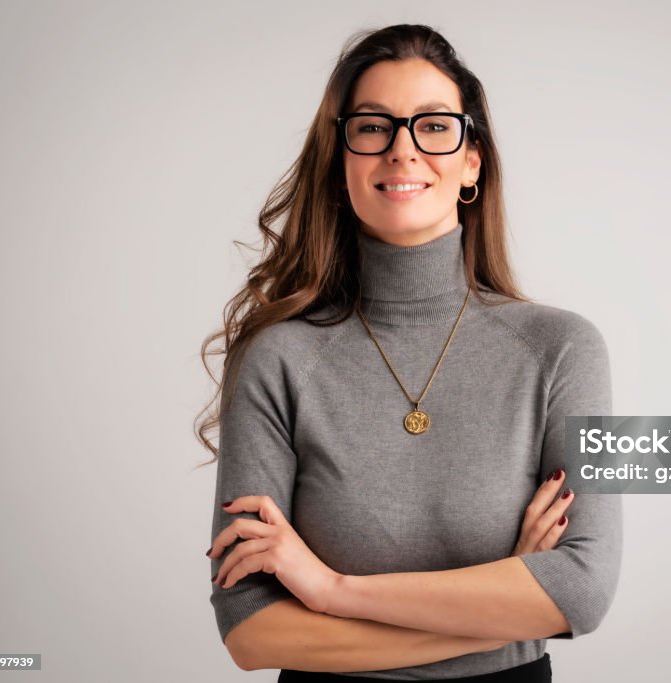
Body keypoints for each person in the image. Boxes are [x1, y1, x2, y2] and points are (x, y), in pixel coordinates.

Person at [195, 23, 623, 682]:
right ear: (341, 162)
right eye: (372, 127)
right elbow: (251, 631)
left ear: (472, 160)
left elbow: (585, 588)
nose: (402, 151)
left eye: (433, 126)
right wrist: (507, 611)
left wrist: (331, 590)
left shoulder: (562, 351)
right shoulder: (277, 358)